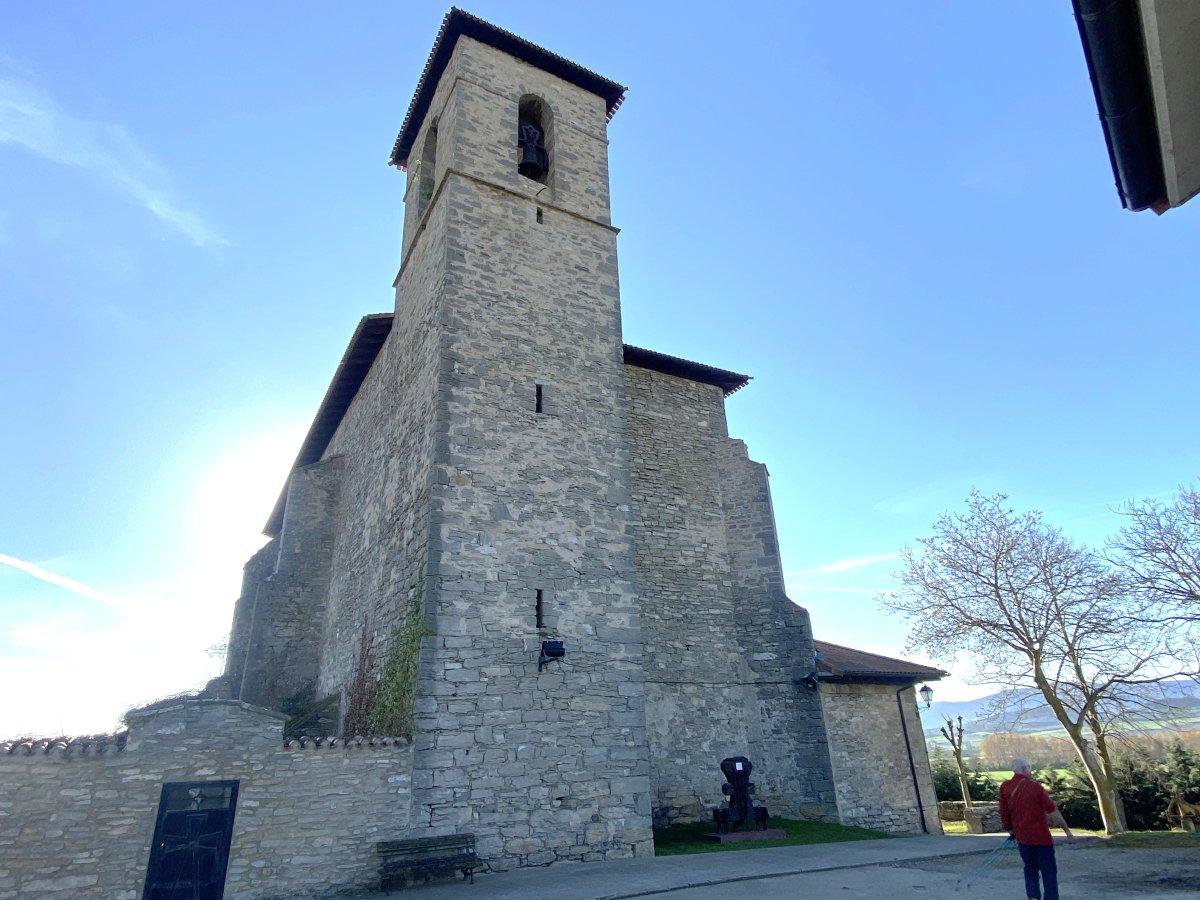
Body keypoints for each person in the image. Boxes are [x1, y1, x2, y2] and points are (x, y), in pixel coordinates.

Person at [999, 758, 1074, 900]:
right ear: (1023, 769)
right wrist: (1067, 831)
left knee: (1030, 870)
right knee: (1049, 873)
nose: (1030, 770)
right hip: (1041, 838)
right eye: (1029, 767)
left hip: (1022, 838)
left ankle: (1033, 897)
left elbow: (1004, 812)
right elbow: (1053, 811)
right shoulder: (1036, 788)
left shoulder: (1005, 787)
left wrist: (1010, 830)